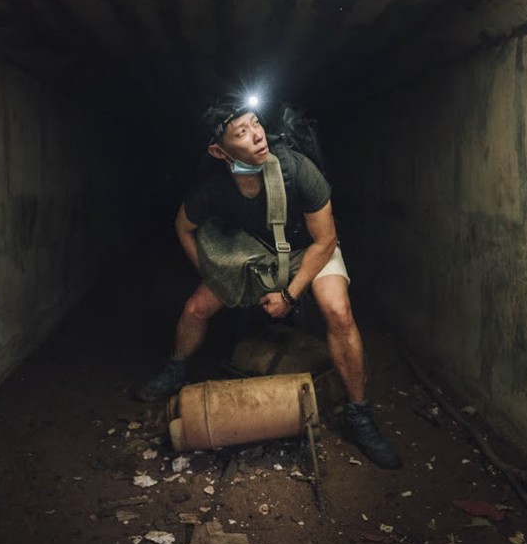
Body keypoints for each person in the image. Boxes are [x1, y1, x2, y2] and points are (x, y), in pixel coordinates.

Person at [136, 101, 402, 469]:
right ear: (219, 151)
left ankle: (359, 413)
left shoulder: (298, 169)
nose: (257, 135)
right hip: (257, 257)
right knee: (196, 308)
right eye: (242, 132)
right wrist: (215, 274)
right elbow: (184, 227)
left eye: (256, 123)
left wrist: (290, 295)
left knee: (338, 311)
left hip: (308, 250)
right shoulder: (213, 189)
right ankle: (175, 368)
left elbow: (326, 240)